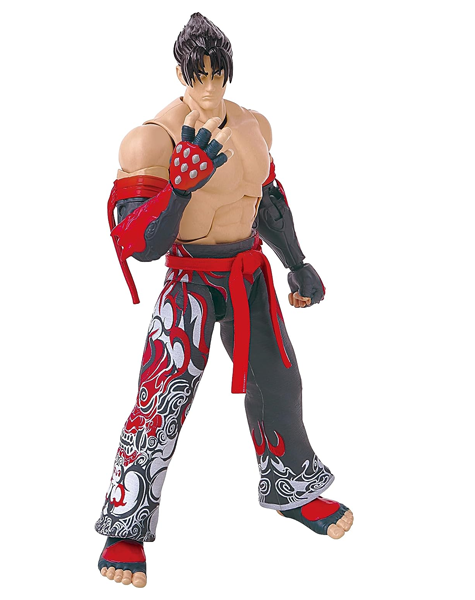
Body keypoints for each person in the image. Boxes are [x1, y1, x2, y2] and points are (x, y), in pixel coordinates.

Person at [95, 12, 354, 588]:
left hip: (249, 273)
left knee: (280, 383)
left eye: (218, 74)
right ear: (179, 73)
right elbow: (139, 244)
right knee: (162, 397)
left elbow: (266, 199)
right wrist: (179, 190)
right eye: (198, 75)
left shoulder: (255, 126)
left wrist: (297, 262)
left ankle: (291, 488)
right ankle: (125, 524)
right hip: (189, 279)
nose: (209, 87)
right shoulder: (151, 139)